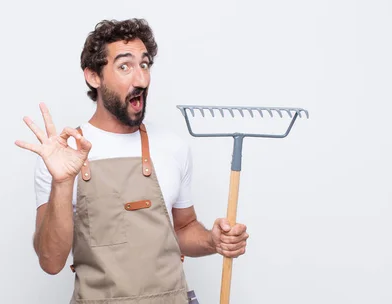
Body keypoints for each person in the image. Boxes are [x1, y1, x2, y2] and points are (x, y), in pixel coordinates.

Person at [15, 18, 249, 304]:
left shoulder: (172, 148)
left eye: (145, 64)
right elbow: (51, 262)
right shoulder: (63, 156)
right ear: (93, 76)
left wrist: (213, 241)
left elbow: (184, 229)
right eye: (124, 66)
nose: (141, 79)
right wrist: (63, 183)